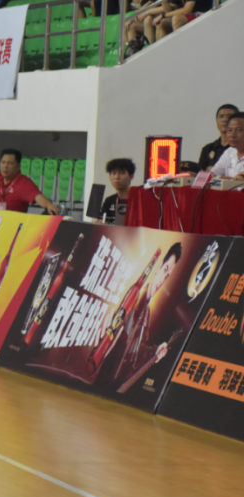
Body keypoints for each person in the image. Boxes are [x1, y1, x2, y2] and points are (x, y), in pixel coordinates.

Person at [91, 244, 181, 389]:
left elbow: (138, 350)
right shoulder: (133, 297)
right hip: (101, 376)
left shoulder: (146, 313)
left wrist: (155, 352)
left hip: (114, 384)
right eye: (165, 270)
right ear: (158, 267)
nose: (163, 279)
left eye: (167, 276)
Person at [199, 104, 240, 171]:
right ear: (217, 121)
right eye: (221, 116)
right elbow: (201, 172)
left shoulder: (240, 148)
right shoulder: (208, 149)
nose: (225, 119)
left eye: (229, 116)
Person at [209, 112, 244, 179]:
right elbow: (213, 174)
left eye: (238, 130)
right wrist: (197, 176)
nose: (232, 135)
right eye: (229, 130)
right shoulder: (229, 152)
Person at [100, 158, 135, 225]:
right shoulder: (109, 201)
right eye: (114, 173)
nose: (117, 177)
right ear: (109, 177)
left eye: (122, 173)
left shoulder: (137, 200)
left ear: (131, 176)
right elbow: (102, 221)